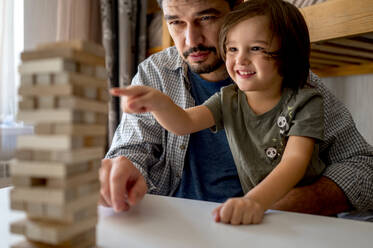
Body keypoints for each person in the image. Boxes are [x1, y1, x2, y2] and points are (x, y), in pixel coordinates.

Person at [100, 0, 373, 218]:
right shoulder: (156, 74)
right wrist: (125, 165)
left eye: (206, 18)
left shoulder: (298, 87)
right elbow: (148, 140)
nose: (191, 39)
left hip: (270, 222)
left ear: (236, 10)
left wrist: (275, 207)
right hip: (183, 224)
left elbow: (363, 167)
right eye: (175, 22)